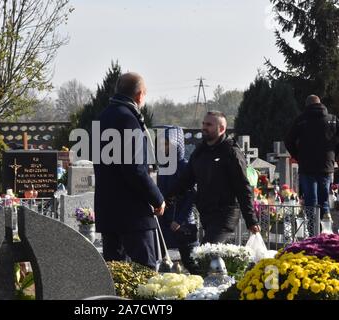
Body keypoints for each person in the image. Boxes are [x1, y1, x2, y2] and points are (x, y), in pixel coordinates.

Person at [94, 72, 165, 269]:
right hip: (132, 213)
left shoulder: (102, 118)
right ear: (140, 95)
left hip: (108, 210)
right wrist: (157, 198)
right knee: (145, 274)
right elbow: (134, 169)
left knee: (115, 275)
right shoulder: (128, 119)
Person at [165, 111, 260, 244]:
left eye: (209, 124)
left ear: (221, 129)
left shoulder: (231, 152)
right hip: (206, 213)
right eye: (203, 123)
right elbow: (185, 181)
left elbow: (243, 186)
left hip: (225, 213)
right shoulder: (200, 151)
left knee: (208, 252)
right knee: (212, 257)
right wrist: (164, 200)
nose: (204, 127)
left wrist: (251, 220)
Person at [285, 94, 339, 222]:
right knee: (324, 201)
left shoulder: (301, 120)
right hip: (326, 166)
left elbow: (288, 140)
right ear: (320, 104)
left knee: (310, 202)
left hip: (307, 166)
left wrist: (297, 156)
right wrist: (335, 155)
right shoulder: (333, 120)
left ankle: (312, 234)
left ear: (307, 106)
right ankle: (325, 234)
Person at [156, 125, 198, 271]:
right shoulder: (163, 166)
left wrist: (179, 220)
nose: (164, 147)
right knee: (166, 265)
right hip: (165, 221)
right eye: (161, 143)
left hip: (183, 223)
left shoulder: (184, 166)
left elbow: (191, 196)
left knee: (191, 263)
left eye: (167, 143)